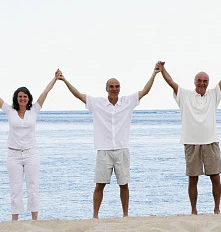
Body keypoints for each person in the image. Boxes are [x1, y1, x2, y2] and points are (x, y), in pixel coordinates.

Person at [58, 63, 162, 218]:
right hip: (104, 150)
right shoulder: (97, 103)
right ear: (106, 88)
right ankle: (95, 216)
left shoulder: (127, 102)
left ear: (120, 88)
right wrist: (64, 80)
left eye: (117, 86)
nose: (114, 89)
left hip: (121, 149)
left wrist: (154, 73)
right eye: (111, 86)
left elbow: (145, 91)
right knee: (99, 184)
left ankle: (125, 215)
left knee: (124, 184)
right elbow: (78, 95)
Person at [158, 53, 221, 214]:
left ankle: (217, 208)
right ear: (195, 82)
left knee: (215, 177)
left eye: (205, 81)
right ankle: (194, 210)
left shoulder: (213, 95)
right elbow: (171, 82)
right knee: (193, 179)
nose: (202, 84)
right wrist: (162, 69)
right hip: (191, 142)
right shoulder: (185, 95)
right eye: (199, 81)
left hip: (211, 141)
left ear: (208, 83)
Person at [0, 71, 61, 220]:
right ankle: (15, 219)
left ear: (28, 98)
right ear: (16, 99)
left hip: (31, 154)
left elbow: (46, 92)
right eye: (20, 97)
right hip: (13, 155)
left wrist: (55, 78)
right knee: (15, 189)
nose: (22, 99)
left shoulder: (34, 110)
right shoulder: (9, 111)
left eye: (25, 96)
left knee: (33, 187)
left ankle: (35, 218)